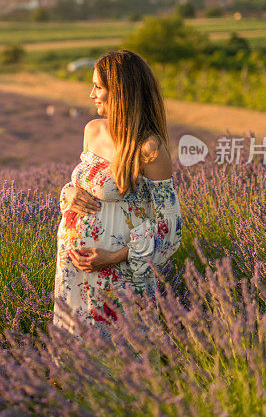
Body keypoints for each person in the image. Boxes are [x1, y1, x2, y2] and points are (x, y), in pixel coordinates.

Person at [53, 50, 182, 334]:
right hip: (73, 269)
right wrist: (69, 192)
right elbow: (84, 186)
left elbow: (169, 226)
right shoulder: (93, 130)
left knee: (115, 357)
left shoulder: (149, 149)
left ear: (120, 91)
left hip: (116, 277)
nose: (91, 94)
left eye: (98, 86)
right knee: (72, 353)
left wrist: (112, 258)